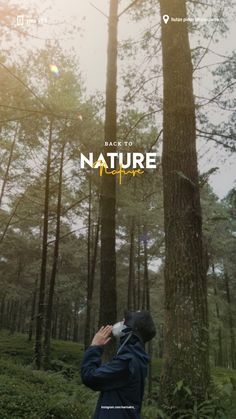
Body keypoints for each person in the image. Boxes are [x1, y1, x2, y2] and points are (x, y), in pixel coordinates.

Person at [80, 310, 156, 418]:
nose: (120, 323)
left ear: (132, 330)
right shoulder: (137, 358)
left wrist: (94, 347)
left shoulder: (126, 362)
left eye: (125, 321)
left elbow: (89, 376)